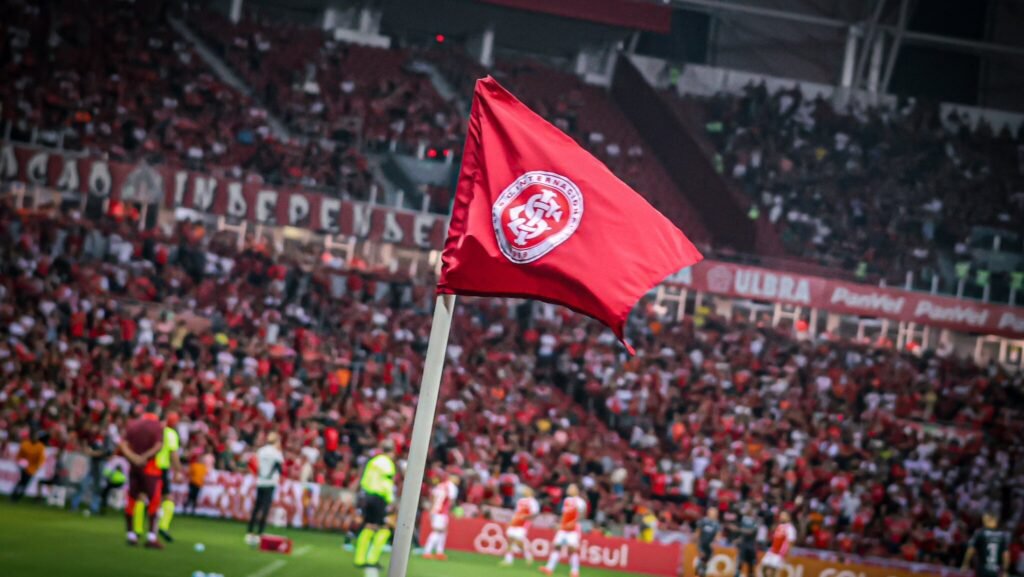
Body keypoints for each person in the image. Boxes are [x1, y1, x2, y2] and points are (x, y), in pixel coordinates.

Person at [119, 407, 165, 548]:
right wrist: (144, 457)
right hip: (150, 469)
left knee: (132, 499)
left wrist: (134, 458)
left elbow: (123, 445)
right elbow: (158, 446)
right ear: (157, 412)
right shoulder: (158, 426)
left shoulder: (133, 424)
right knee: (154, 501)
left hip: (134, 467)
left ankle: (131, 535)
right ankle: (151, 537)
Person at [354, 440, 397, 577]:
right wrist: (390, 501)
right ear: (391, 451)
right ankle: (372, 559)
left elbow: (365, 480)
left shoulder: (373, 462)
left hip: (368, 496)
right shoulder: (387, 464)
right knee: (384, 528)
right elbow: (387, 483)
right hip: (379, 498)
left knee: (368, 526)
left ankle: (360, 558)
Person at [541, 484, 587, 577]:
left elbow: (582, 514)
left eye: (571, 488)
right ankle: (549, 568)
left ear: (576, 490)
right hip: (563, 528)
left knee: (572, 550)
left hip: (573, 529)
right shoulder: (566, 500)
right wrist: (559, 524)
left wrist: (573, 522)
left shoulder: (580, 501)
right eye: (569, 488)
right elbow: (564, 514)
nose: (568, 489)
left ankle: (575, 572)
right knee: (557, 547)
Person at [246, 432, 284, 545]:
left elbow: (253, 464)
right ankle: (260, 533)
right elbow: (279, 468)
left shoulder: (261, 450)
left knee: (257, 506)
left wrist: (261, 474)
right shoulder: (277, 453)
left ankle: (249, 531)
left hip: (260, 481)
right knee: (265, 508)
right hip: (270, 482)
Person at [154, 412, 182, 542]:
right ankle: (162, 526)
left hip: (150, 466)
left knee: (145, 497)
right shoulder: (171, 434)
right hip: (162, 468)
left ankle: (136, 531)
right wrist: (178, 471)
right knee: (168, 498)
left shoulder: (157, 430)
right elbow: (173, 454)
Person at [422, 473, 460, 560]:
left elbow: (433, 497)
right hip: (442, 512)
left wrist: (432, 509)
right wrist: (452, 511)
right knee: (438, 531)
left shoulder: (440, 485)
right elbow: (451, 501)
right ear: (452, 479)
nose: (458, 481)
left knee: (443, 531)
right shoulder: (452, 487)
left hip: (436, 510)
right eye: (457, 479)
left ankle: (439, 552)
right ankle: (427, 551)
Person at [962, 512, 1011, 577]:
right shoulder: (1002, 536)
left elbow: (970, 550)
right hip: (995, 572)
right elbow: (1006, 555)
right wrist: (1005, 571)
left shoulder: (980, 533)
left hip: (982, 571)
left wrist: (965, 564)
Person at [501, 486, 540, 566]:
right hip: (516, 522)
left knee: (518, 541)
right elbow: (516, 513)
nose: (525, 491)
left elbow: (535, 513)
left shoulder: (533, 502)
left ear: (531, 492)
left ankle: (528, 556)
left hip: (524, 523)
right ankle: (508, 560)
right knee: (511, 540)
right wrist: (511, 522)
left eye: (527, 490)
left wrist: (526, 517)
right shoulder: (520, 501)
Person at [11, 430, 46, 502]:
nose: (35, 438)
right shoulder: (25, 444)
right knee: (20, 482)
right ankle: (13, 496)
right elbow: (19, 455)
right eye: (33, 436)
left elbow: (41, 458)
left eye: (36, 436)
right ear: (31, 437)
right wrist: (20, 462)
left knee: (25, 483)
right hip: (23, 467)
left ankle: (18, 497)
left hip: (32, 468)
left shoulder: (40, 446)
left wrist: (38, 465)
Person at [759, 511, 796, 577]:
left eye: (783, 515)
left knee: (774, 571)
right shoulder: (779, 526)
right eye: (781, 515)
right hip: (772, 551)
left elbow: (791, 543)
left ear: (789, 518)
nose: (781, 517)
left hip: (780, 553)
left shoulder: (790, 528)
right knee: (763, 567)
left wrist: (788, 555)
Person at [732, 504, 759, 577]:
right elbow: (743, 535)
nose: (748, 510)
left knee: (751, 565)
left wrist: (738, 529)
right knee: (740, 562)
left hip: (751, 545)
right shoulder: (743, 519)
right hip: (743, 544)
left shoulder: (756, 520)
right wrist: (738, 539)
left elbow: (751, 532)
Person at [695, 507, 721, 577]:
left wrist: (715, 542)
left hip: (709, 546)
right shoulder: (703, 521)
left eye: (715, 514)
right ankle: (699, 571)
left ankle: (701, 572)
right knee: (702, 557)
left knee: (706, 562)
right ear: (708, 513)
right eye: (712, 513)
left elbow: (718, 535)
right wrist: (697, 540)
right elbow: (698, 532)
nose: (714, 515)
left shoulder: (717, 524)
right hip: (702, 544)